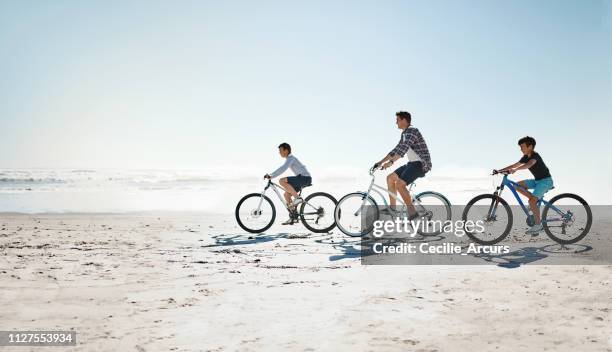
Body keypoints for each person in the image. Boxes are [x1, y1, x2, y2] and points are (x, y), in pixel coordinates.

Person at [373, 111, 432, 219]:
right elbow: (396, 149)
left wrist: (391, 162)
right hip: (411, 164)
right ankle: (393, 207)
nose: (396, 123)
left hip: (420, 164)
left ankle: (412, 212)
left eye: (397, 120)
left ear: (404, 120)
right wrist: (380, 162)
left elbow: (403, 149)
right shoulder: (404, 134)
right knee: (390, 178)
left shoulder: (412, 131)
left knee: (400, 184)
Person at [495, 136, 554, 235]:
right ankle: (534, 201)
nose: (521, 149)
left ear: (530, 147)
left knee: (532, 201)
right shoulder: (525, 157)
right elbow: (514, 165)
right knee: (516, 185)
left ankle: (538, 225)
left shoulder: (535, 156)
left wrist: (516, 170)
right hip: (537, 181)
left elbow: (529, 165)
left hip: (546, 181)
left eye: (522, 147)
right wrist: (499, 171)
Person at [264, 143, 312, 225]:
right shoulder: (289, 159)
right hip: (301, 178)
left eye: (280, 150)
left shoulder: (291, 158)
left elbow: (283, 168)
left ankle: (298, 198)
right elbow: (282, 168)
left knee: (282, 181)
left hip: (305, 178)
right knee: (286, 195)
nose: (279, 153)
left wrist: (271, 175)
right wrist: (272, 175)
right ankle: (294, 216)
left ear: (286, 150)